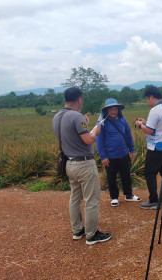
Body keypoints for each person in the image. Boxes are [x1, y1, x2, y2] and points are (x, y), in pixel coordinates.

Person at [52, 87, 112, 245]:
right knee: (92, 199)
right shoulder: (76, 116)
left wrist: (85, 124)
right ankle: (92, 235)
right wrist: (95, 131)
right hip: (84, 164)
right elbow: (88, 139)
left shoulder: (57, 117)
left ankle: (77, 230)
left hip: (69, 163)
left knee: (75, 198)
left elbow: (70, 135)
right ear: (79, 100)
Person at [96, 98, 141, 207]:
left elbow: (128, 135)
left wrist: (132, 149)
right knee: (111, 177)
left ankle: (129, 195)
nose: (113, 111)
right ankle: (114, 197)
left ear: (118, 110)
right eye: (110, 109)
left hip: (124, 154)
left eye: (115, 109)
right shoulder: (101, 123)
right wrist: (103, 156)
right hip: (110, 156)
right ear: (106, 110)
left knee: (126, 175)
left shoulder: (122, 120)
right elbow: (99, 140)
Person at [134, 86, 162, 210]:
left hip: (156, 147)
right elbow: (160, 126)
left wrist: (140, 125)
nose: (147, 102)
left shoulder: (155, 110)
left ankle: (153, 200)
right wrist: (146, 122)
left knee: (149, 173)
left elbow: (150, 131)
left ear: (151, 97)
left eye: (147, 99)